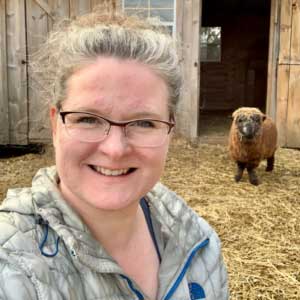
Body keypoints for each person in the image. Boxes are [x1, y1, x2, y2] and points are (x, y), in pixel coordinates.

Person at [0, 3, 228, 300]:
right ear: (56, 125)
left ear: (170, 130)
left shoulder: (199, 242)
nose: (115, 149)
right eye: (88, 119)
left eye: (144, 122)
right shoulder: (11, 268)